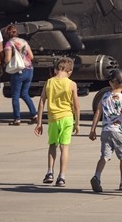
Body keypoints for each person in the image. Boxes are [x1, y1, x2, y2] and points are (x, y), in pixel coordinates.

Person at [34, 57, 81, 187]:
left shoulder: (49, 82)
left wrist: (39, 122)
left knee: (52, 145)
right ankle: (62, 176)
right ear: (70, 71)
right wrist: (77, 123)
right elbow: (76, 105)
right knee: (64, 147)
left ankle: (50, 172)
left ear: (56, 70)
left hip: (53, 118)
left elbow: (42, 102)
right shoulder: (72, 84)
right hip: (67, 118)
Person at [89, 69, 122, 193]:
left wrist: (92, 129)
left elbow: (98, 112)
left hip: (106, 131)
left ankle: (97, 176)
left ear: (110, 83)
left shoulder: (104, 96)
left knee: (104, 156)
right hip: (119, 132)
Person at [4, 24, 38, 125]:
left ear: (7, 34)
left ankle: (17, 118)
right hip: (29, 70)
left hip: (18, 71)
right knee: (25, 94)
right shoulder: (24, 42)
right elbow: (31, 56)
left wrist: (6, 62)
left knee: (15, 95)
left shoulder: (9, 44)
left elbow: (8, 59)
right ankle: (34, 114)